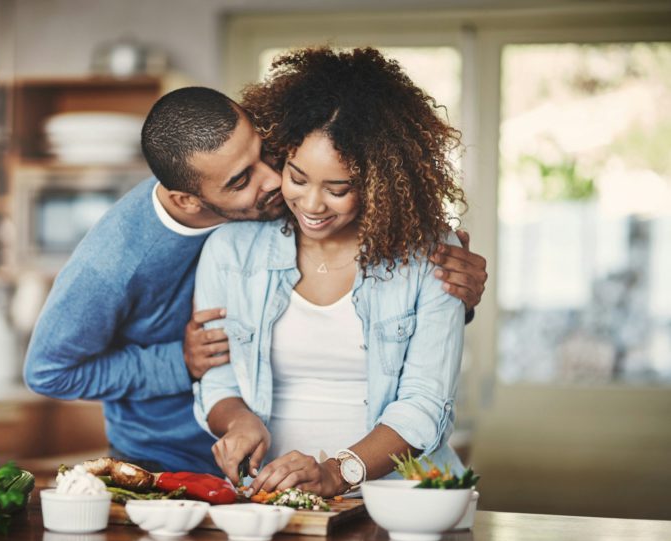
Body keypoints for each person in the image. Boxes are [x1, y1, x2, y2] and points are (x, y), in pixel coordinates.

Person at [24, 84, 487, 474]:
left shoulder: (281, 193)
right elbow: (48, 372)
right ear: (189, 201)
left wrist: (449, 293)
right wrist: (179, 363)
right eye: (242, 179)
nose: (274, 181)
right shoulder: (114, 262)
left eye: (266, 151)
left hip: (272, 469)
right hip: (168, 456)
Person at [193, 47, 469, 496]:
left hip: (400, 503)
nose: (312, 205)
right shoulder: (231, 250)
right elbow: (218, 374)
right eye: (297, 178)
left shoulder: (433, 256)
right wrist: (238, 420)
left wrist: (337, 472)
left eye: (338, 189)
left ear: (381, 183)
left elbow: (425, 403)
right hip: (275, 501)